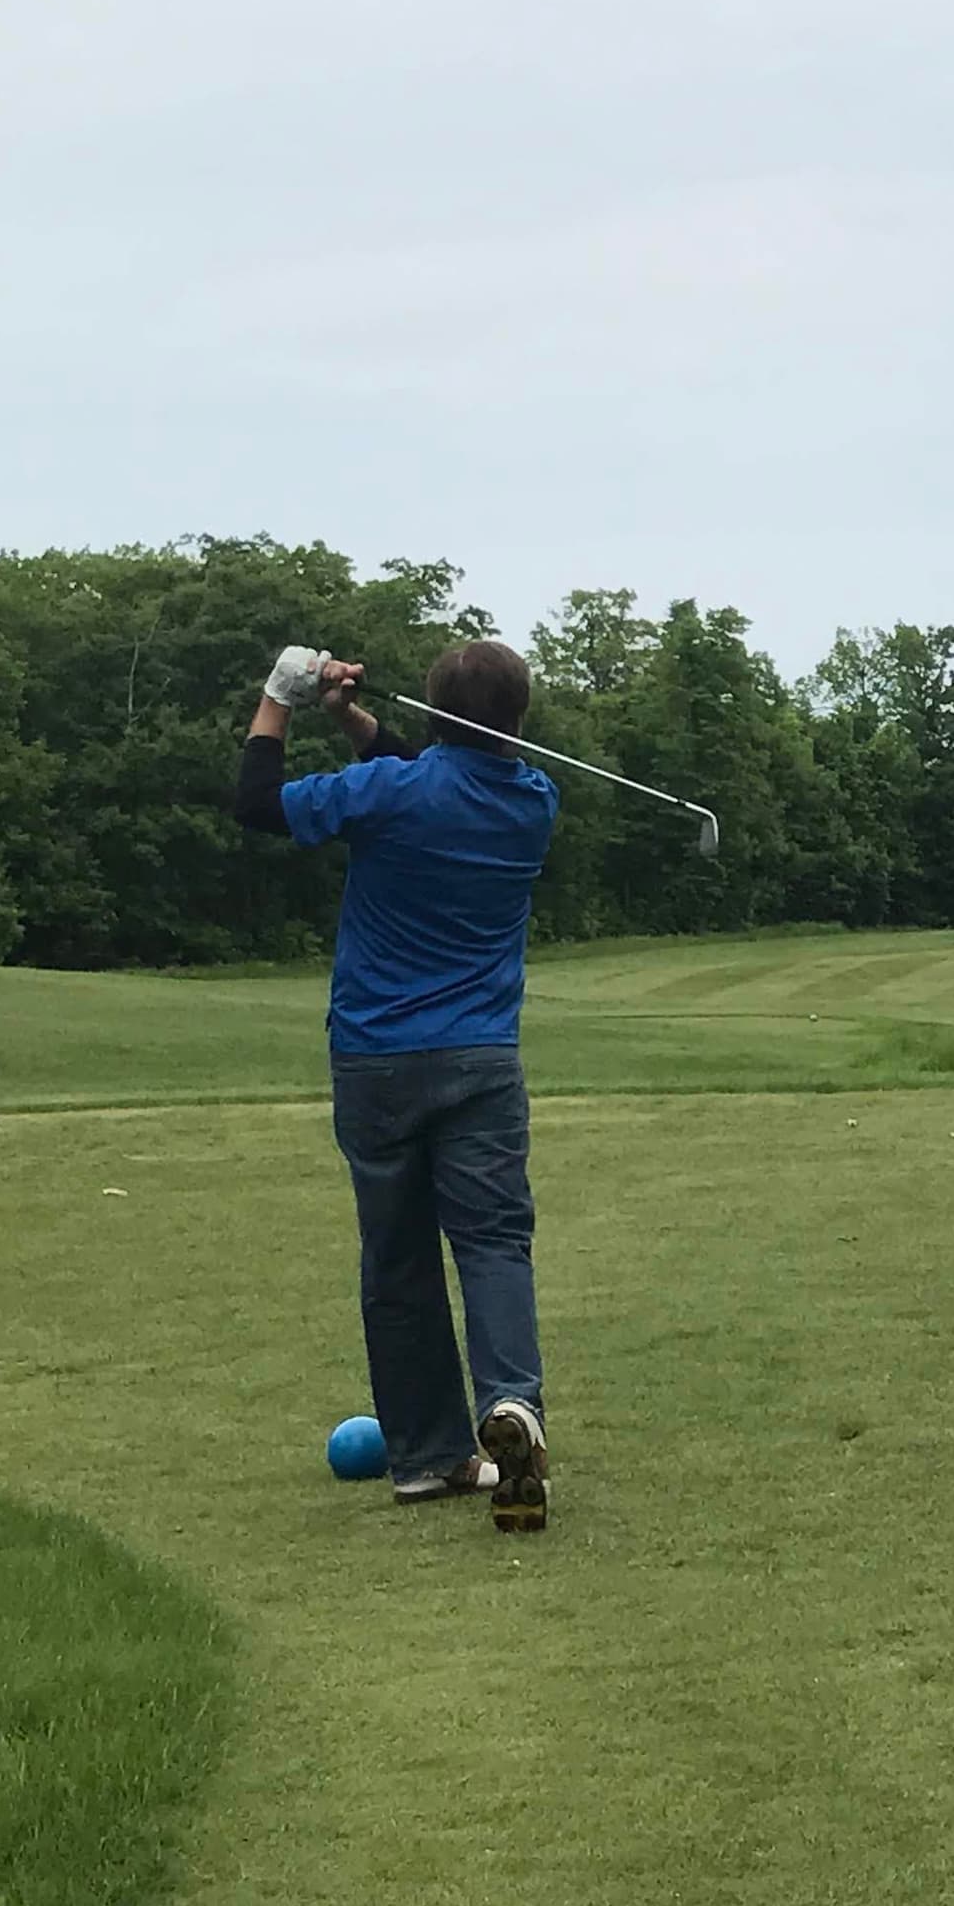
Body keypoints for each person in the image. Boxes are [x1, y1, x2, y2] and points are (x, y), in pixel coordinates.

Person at [234, 639, 558, 1533]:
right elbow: (429, 773)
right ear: (519, 719)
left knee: (398, 1256)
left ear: (434, 710)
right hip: (482, 1061)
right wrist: (349, 719)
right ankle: (513, 1409)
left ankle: (425, 1458)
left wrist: (283, 698)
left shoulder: (390, 793)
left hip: (375, 1059)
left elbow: (258, 804)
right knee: (493, 1242)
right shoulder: (534, 801)